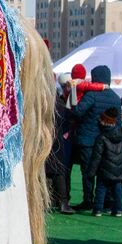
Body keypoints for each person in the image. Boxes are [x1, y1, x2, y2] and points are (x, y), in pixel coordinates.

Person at [70, 64, 121, 210]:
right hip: (108, 142)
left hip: (88, 140)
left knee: (88, 171)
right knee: (106, 170)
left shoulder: (91, 95)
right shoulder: (116, 98)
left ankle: (88, 200)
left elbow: (77, 112)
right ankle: (107, 201)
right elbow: (117, 122)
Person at [47, 80, 76, 213]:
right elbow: (68, 117)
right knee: (58, 172)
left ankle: (49, 201)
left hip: (45, 138)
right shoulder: (58, 102)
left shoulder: (44, 101)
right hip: (56, 139)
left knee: (46, 171)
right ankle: (62, 202)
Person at [92, 108, 122, 217]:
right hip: (118, 168)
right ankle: (118, 209)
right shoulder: (121, 136)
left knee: (101, 189)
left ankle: (97, 209)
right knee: (118, 190)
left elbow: (97, 156)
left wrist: (91, 171)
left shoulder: (102, 137)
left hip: (105, 168)